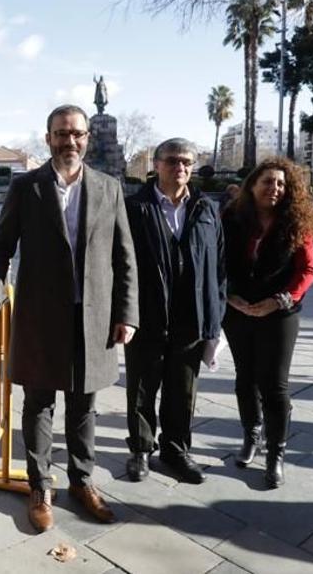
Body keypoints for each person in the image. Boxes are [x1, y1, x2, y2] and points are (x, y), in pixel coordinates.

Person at [0, 104, 138, 532]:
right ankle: (40, 487)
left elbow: (125, 257)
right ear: (47, 138)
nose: (71, 141)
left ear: (86, 137)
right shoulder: (26, 187)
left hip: (94, 317)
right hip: (39, 316)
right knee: (39, 404)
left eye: (77, 134)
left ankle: (83, 483)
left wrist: (127, 313)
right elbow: (0, 247)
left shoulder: (109, 187)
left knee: (85, 405)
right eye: (62, 134)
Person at [121, 139, 224, 485]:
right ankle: (139, 449)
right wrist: (124, 312)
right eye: (172, 161)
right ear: (157, 164)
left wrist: (214, 315)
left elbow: (218, 265)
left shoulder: (207, 208)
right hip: (146, 314)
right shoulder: (134, 207)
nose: (180, 168)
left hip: (191, 317)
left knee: (183, 390)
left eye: (186, 162)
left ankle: (176, 449)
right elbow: (119, 263)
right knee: (141, 387)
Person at [221, 157, 313, 489]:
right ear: (252, 185)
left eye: (280, 183)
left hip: (279, 313)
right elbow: (217, 262)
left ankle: (275, 452)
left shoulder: (296, 223)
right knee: (244, 378)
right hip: (237, 310)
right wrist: (230, 296)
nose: (273, 189)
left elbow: (307, 270)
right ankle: (251, 433)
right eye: (267, 182)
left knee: (274, 385)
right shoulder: (232, 218)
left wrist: (280, 300)